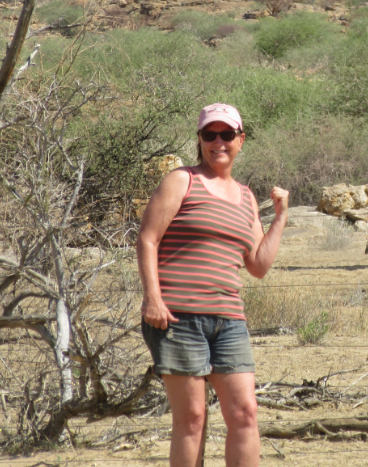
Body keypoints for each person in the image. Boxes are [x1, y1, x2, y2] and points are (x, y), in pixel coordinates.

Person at [137, 102, 288, 467]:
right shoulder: (182, 180)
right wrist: (152, 298)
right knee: (191, 420)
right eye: (209, 134)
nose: (218, 142)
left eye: (226, 134)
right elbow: (147, 239)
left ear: (241, 140)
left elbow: (258, 265)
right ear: (200, 139)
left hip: (229, 320)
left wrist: (280, 217)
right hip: (177, 317)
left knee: (245, 414)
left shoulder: (246, 197)